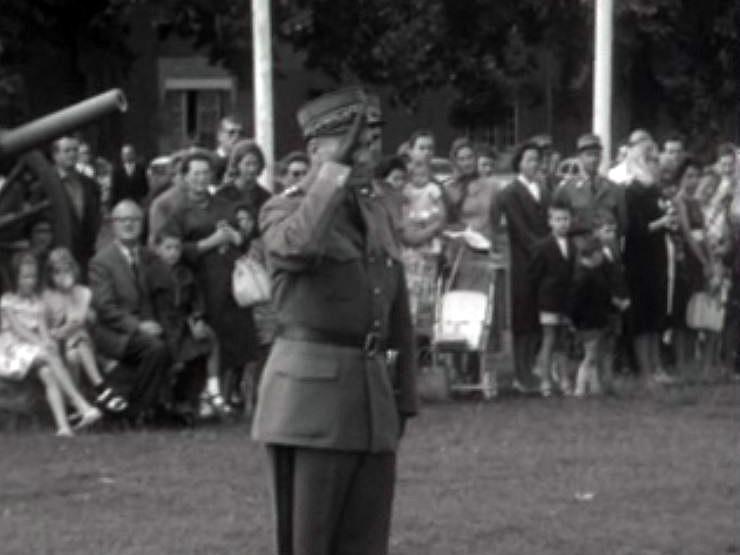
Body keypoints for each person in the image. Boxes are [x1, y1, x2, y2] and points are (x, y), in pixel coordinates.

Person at [252, 86, 419, 555]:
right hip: (309, 407)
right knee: (309, 544)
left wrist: (400, 392)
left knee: (366, 544)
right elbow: (299, 246)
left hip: (370, 402)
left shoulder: (378, 210)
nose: (363, 150)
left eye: (368, 140)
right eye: (348, 141)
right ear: (313, 150)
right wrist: (333, 175)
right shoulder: (282, 208)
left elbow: (393, 314)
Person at [168, 152, 259, 411]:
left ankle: (228, 394)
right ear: (185, 177)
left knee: (233, 334)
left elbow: (241, 238)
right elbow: (173, 249)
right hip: (195, 281)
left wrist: (236, 238)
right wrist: (211, 242)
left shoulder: (222, 204)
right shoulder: (178, 211)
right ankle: (200, 395)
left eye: (205, 173)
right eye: (195, 173)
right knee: (207, 335)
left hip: (226, 277)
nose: (200, 179)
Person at [0, 251, 101, 436]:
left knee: (48, 373)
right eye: (25, 277)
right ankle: (80, 404)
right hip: (10, 352)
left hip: (31, 350)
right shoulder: (7, 301)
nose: (30, 281)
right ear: (16, 277)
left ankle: (63, 427)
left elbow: (42, 328)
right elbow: (18, 330)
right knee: (48, 354)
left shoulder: (37, 303)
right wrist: (42, 343)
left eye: (33, 277)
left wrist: (47, 341)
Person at [88, 200, 171, 420]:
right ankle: (138, 410)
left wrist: (160, 323)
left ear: (142, 224)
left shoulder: (149, 257)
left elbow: (159, 296)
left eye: (134, 220)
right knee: (156, 349)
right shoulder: (102, 262)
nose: (129, 225)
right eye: (123, 220)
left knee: (184, 341)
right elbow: (105, 308)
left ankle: (170, 405)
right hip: (114, 333)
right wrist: (139, 327)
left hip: (146, 325)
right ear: (113, 225)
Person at [43, 247, 128, 414]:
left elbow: (83, 321)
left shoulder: (84, 293)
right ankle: (100, 388)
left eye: (66, 270)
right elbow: (47, 329)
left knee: (76, 346)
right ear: (50, 275)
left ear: (74, 270)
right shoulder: (47, 296)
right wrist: (61, 330)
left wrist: (71, 299)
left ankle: (77, 403)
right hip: (58, 347)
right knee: (73, 350)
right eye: (57, 272)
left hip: (84, 345)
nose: (62, 276)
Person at [149, 228, 219, 420]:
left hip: (182, 323)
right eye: (168, 248)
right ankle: (164, 403)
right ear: (157, 249)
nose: (173, 252)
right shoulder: (151, 273)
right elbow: (147, 301)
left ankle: (191, 399)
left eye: (177, 248)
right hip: (162, 324)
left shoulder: (185, 273)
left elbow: (197, 300)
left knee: (201, 346)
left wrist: (197, 318)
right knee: (166, 355)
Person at [623, 140, 677, 385]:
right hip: (639, 259)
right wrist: (663, 222)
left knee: (656, 313)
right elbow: (634, 229)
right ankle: (644, 370)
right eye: (652, 160)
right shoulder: (631, 191)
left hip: (657, 255)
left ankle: (657, 366)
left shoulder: (655, 190)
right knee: (642, 315)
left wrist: (669, 223)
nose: (657, 165)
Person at [498, 141, 550, 392]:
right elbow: (520, 230)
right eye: (529, 159)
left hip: (543, 262)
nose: (534, 164)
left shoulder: (544, 188)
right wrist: (545, 249)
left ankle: (531, 368)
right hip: (523, 262)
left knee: (539, 318)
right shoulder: (510, 192)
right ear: (519, 162)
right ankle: (520, 373)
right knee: (523, 317)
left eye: (537, 159)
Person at [529, 200, 575, 396]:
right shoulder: (542, 246)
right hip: (548, 301)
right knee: (549, 339)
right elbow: (534, 275)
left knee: (563, 341)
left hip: (566, 301)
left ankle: (564, 380)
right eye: (558, 219)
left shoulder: (573, 245)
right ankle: (545, 380)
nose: (562, 223)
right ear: (550, 222)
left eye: (565, 219)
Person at [554, 133, 627, 241]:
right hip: (580, 252)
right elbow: (559, 225)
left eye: (596, 155)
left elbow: (623, 225)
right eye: (588, 155)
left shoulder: (614, 189)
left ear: (601, 157)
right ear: (579, 157)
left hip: (608, 250)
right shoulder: (566, 190)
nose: (593, 159)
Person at [568, 236, 614, 397]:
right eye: (601, 253)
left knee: (593, 356)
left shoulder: (591, 274)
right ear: (594, 254)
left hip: (594, 321)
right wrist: (575, 321)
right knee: (590, 356)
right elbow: (575, 303)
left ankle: (595, 387)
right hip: (588, 323)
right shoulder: (583, 277)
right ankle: (579, 388)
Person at [51, 136, 102, 275]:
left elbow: (96, 215)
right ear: (55, 155)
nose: (72, 154)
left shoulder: (90, 185)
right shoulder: (43, 187)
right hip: (56, 257)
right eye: (67, 151)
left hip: (85, 254)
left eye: (75, 150)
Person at [217, 139, 271, 220]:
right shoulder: (222, 195)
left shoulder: (266, 198)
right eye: (247, 164)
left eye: (255, 163)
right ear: (237, 165)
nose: (252, 169)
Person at [110, 144, 149, 208]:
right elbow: (114, 190)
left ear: (133, 154)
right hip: (122, 204)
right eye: (124, 154)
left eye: (128, 154)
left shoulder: (141, 169)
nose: (126, 156)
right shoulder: (117, 170)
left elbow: (145, 188)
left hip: (137, 203)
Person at [213, 115, 244, 182]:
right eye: (231, 133)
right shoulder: (210, 162)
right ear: (219, 136)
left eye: (240, 133)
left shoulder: (243, 163)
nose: (236, 137)